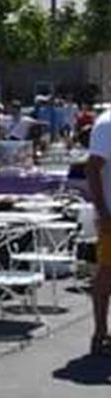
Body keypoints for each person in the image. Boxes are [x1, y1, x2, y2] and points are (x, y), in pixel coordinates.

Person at [88, 106, 111, 354]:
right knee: (107, 273)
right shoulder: (107, 124)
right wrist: (103, 213)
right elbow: (92, 168)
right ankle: (100, 333)